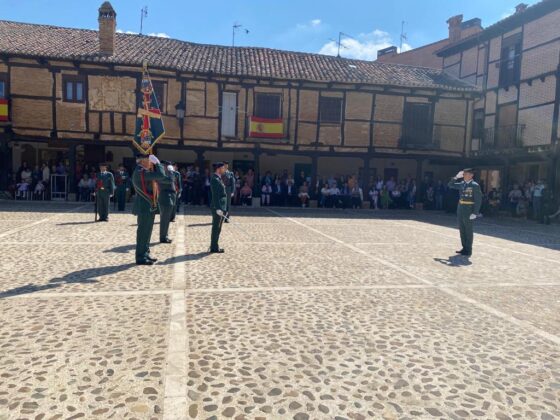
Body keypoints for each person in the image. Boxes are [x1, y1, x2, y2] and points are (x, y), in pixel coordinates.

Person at [131, 154, 166, 265]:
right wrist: (158, 163)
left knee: (147, 232)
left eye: (152, 161)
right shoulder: (140, 172)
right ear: (142, 161)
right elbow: (161, 175)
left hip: (148, 206)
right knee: (143, 232)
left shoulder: (143, 171)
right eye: (149, 160)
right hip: (144, 206)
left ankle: (145, 253)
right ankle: (140, 257)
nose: (151, 162)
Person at [447, 168, 482, 257]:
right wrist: (455, 177)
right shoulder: (462, 184)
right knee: (462, 230)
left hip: (469, 210)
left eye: (466, 174)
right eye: (464, 174)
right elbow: (450, 185)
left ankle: (468, 249)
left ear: (471, 175)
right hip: (461, 208)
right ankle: (464, 248)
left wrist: (475, 212)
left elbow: (478, 200)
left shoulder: (475, 185)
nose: (464, 176)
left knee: (468, 230)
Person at [210, 162, 227, 253]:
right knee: (216, 227)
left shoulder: (218, 178)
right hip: (218, 207)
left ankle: (214, 246)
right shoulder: (215, 179)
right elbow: (215, 195)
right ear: (218, 169)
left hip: (221, 206)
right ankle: (214, 247)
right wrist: (218, 208)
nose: (224, 169)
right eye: (223, 168)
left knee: (218, 227)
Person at [158, 161, 177, 244]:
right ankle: (163, 237)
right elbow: (170, 180)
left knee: (167, 219)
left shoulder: (167, 173)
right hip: (165, 196)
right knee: (164, 219)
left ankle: (165, 236)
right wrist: (171, 172)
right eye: (168, 166)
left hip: (170, 196)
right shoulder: (161, 175)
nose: (169, 167)